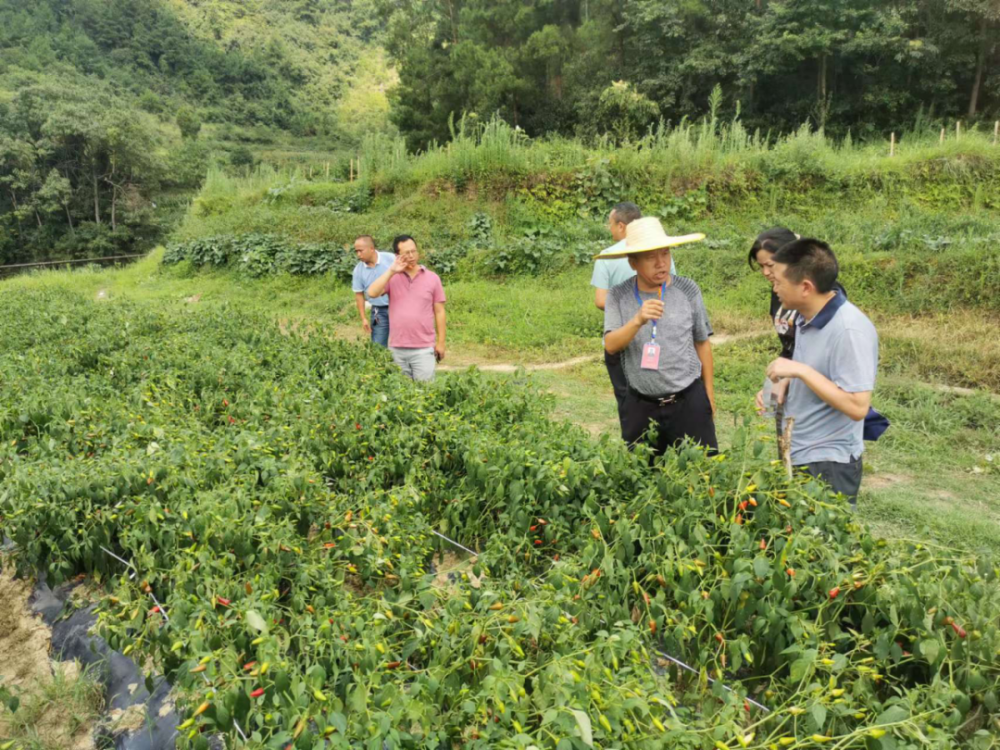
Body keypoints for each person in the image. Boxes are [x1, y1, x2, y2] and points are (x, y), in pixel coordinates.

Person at [758, 239, 878, 506]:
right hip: (800, 448)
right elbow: (818, 369)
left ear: (805, 287)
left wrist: (798, 370)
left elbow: (858, 406)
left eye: (778, 281)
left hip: (828, 462)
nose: (774, 287)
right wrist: (787, 381)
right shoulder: (804, 316)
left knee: (825, 543)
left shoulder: (849, 330)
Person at [601, 217, 717, 457]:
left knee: (704, 473)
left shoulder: (688, 290)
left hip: (688, 400)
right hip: (639, 405)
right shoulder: (618, 296)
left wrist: (709, 396)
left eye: (665, 254)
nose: (661, 263)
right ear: (633, 262)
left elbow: (702, 343)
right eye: (650, 257)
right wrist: (637, 320)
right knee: (645, 480)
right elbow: (611, 345)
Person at [591, 203, 676, 428]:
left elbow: (600, 300)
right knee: (662, 395)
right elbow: (670, 289)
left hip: (621, 338)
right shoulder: (662, 252)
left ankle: (637, 446)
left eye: (610, 224)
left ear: (620, 226)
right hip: (658, 337)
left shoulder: (606, 257)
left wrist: (627, 313)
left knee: (627, 399)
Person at [366, 235, 446, 382]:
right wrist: (391, 271)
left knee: (425, 393)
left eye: (413, 251)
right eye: (406, 253)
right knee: (401, 394)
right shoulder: (392, 278)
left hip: (423, 348)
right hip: (397, 348)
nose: (411, 256)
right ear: (397, 256)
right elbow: (371, 293)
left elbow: (439, 311)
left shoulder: (432, 278)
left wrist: (441, 342)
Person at [350, 235, 394, 347]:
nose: (358, 255)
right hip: (378, 312)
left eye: (361, 251)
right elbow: (359, 295)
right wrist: (363, 318)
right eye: (356, 251)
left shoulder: (391, 259)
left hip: (399, 307)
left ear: (371, 248)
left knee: (404, 343)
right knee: (378, 346)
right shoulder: (358, 270)